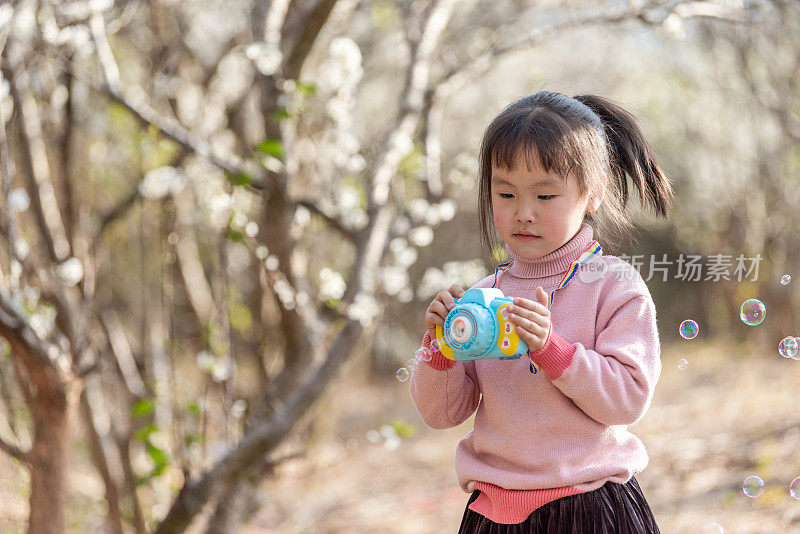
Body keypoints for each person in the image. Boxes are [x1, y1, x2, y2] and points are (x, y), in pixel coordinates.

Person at [410, 91, 673, 533]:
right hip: (495, 512)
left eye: (546, 196)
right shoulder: (482, 298)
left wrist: (552, 350)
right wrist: (441, 346)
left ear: (593, 194)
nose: (523, 213)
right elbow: (442, 414)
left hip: (590, 506)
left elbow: (628, 398)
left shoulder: (613, 286)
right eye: (506, 193)